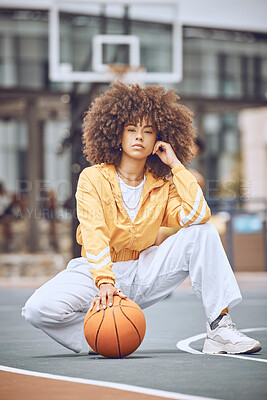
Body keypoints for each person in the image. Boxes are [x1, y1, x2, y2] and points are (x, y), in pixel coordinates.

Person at [22, 82, 261, 355]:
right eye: (132, 130)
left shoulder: (163, 183)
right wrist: (106, 283)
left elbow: (198, 215)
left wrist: (176, 165)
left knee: (203, 231)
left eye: (148, 131)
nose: (139, 137)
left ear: (159, 139)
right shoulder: (92, 178)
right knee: (36, 309)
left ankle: (219, 329)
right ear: (117, 134)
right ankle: (101, 338)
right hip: (95, 273)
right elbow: (94, 232)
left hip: (145, 271)